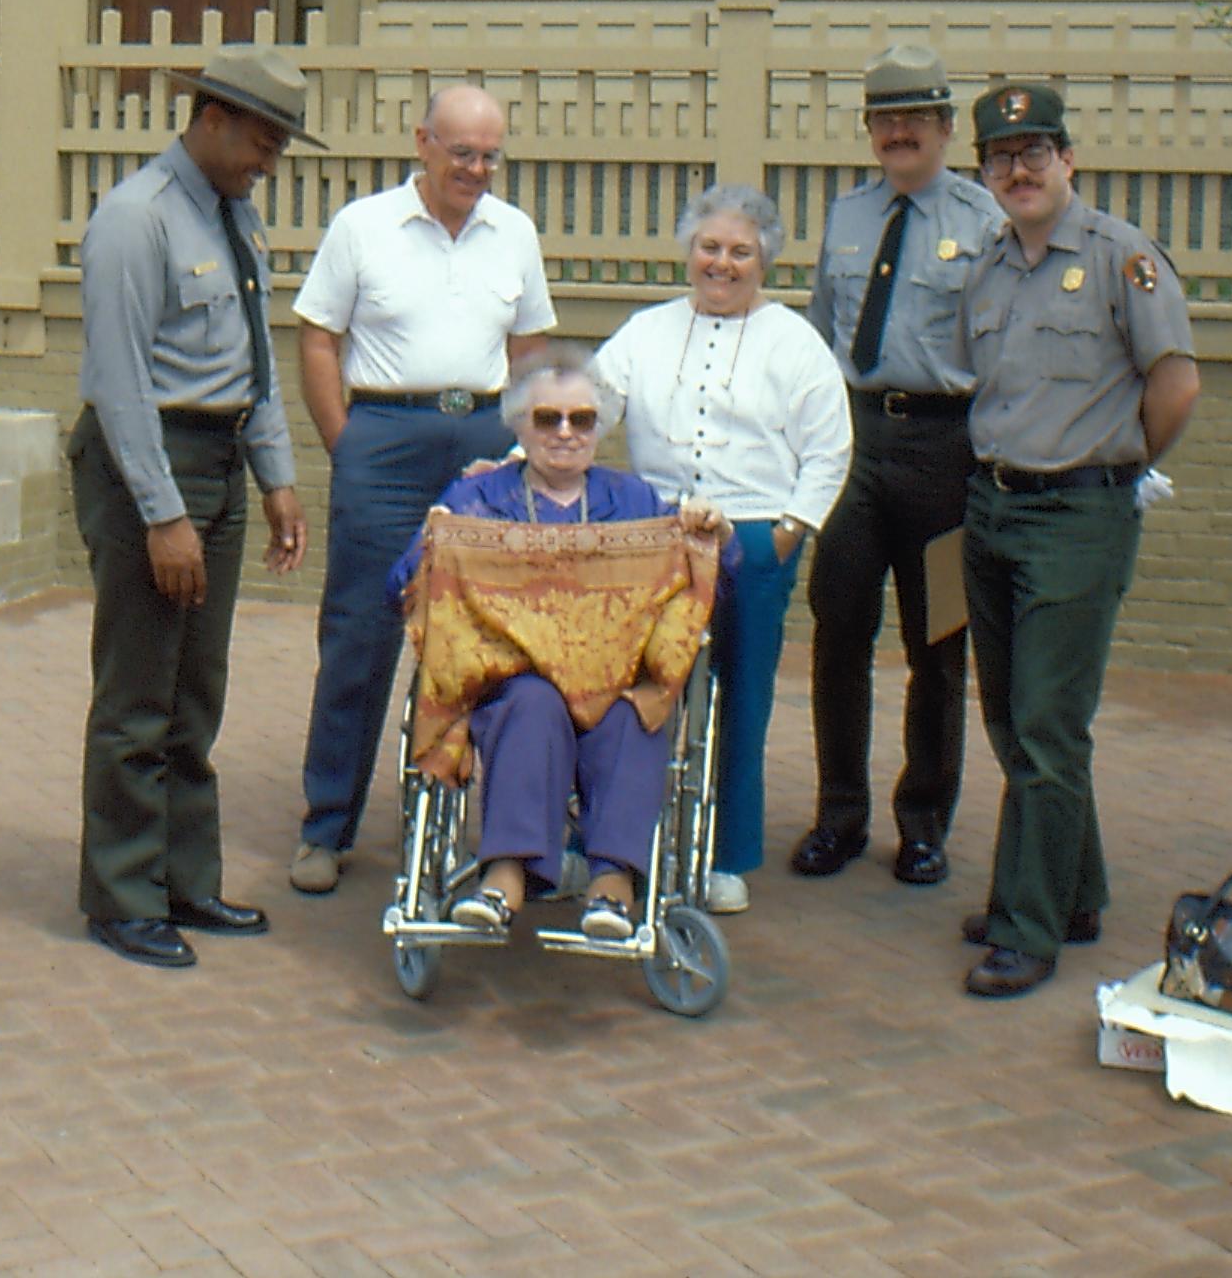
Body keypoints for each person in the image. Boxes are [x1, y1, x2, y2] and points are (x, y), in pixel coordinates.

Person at [951, 81, 1198, 998]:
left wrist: (1120, 469)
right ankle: (1073, 890)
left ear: (1069, 161)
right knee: (1017, 718)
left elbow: (1175, 384)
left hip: (1078, 517)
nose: (1019, 171)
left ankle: (1029, 927)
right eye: (1001, 159)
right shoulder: (988, 266)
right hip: (995, 509)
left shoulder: (1121, 259)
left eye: (1036, 153)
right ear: (986, 172)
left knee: (1051, 726)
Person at [71, 46, 315, 970]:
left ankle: (184, 880)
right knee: (139, 690)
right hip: (152, 465)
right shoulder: (137, 220)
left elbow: (249, 358)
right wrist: (163, 515)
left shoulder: (235, 216)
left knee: (195, 689)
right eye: (263, 138)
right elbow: (120, 382)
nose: (271, 160)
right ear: (210, 117)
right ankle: (123, 896)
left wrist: (277, 475)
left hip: (216, 458)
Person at [287, 85, 553, 896]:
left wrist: (518, 451)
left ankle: (474, 827)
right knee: (361, 636)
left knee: (491, 638)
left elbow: (531, 348)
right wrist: (349, 445)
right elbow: (318, 338)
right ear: (423, 143)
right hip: (385, 440)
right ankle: (326, 827)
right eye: (461, 152)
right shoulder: (362, 226)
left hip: (482, 442)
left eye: (489, 155)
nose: (476, 169)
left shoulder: (514, 233)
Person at [385, 350, 727, 939]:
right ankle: (505, 878)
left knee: (637, 710)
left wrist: (710, 532)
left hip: (612, 681)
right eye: (548, 419)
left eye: (582, 420)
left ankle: (613, 887)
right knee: (535, 702)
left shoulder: (637, 502)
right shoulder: (477, 497)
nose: (566, 433)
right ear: (521, 424)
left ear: (601, 428)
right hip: (512, 686)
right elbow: (403, 581)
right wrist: (432, 544)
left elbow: (717, 571)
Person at [589, 183, 851, 915]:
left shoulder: (795, 343)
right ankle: (611, 841)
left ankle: (725, 854)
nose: (722, 263)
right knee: (629, 690)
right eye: (710, 247)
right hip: (656, 540)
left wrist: (788, 532)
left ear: (764, 258)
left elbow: (829, 451)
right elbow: (588, 407)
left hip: (753, 540)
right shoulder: (645, 330)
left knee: (742, 697)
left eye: (740, 251)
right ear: (688, 250)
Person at [791, 43, 1004, 889]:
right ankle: (839, 815)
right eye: (885, 119)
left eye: (916, 118)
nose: (899, 132)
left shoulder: (984, 223)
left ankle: (923, 824)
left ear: (947, 128)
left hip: (947, 455)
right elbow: (816, 338)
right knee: (837, 632)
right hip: (853, 444)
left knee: (940, 645)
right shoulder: (847, 217)